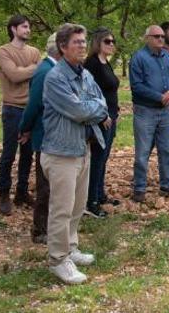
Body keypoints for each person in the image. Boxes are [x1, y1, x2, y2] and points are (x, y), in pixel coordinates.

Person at [41, 23, 106, 285]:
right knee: (62, 208)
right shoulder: (55, 78)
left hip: (82, 148)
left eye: (83, 41)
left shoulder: (85, 74)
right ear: (63, 47)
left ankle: (71, 247)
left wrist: (92, 107)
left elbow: (100, 101)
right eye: (76, 42)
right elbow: (79, 111)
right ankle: (58, 260)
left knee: (78, 206)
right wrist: (93, 108)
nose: (82, 45)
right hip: (61, 153)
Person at [129, 25, 169, 203]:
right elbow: (136, 86)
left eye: (162, 36)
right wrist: (159, 96)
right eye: (156, 36)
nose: (161, 39)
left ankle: (168, 184)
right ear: (147, 38)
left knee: (168, 149)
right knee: (142, 152)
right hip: (145, 110)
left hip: (165, 110)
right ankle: (139, 188)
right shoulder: (138, 58)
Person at [0, 15, 41, 215]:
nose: (28, 30)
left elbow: (38, 75)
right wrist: (31, 69)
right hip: (12, 108)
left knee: (28, 153)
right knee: (9, 153)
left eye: (29, 26)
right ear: (13, 29)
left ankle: (22, 192)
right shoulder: (4, 51)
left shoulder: (35, 51)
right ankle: (3, 194)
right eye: (24, 26)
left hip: (31, 108)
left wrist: (24, 70)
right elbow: (13, 76)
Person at [19, 32, 60, 244]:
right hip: (44, 134)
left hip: (53, 134)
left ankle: (49, 226)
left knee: (52, 184)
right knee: (45, 184)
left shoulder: (53, 69)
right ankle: (40, 229)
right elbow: (34, 104)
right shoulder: (45, 71)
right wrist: (24, 128)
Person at [83, 28, 121, 218]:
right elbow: (88, 94)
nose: (111, 44)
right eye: (107, 41)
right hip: (100, 119)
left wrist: (116, 111)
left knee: (103, 157)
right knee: (97, 159)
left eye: (113, 41)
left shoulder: (106, 62)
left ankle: (99, 193)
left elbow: (111, 90)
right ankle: (91, 201)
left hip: (111, 116)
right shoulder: (91, 64)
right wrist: (101, 116)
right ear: (98, 42)